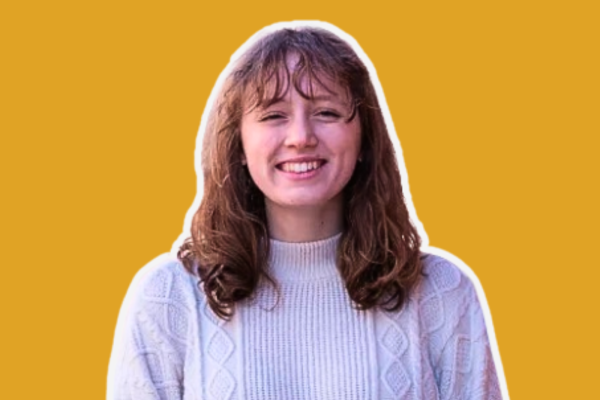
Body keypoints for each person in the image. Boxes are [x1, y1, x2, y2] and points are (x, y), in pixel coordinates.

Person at [107, 21, 505, 400]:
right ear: (238, 145)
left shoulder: (440, 293)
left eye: (327, 112)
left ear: (365, 138)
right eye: (273, 115)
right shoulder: (170, 298)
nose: (300, 137)